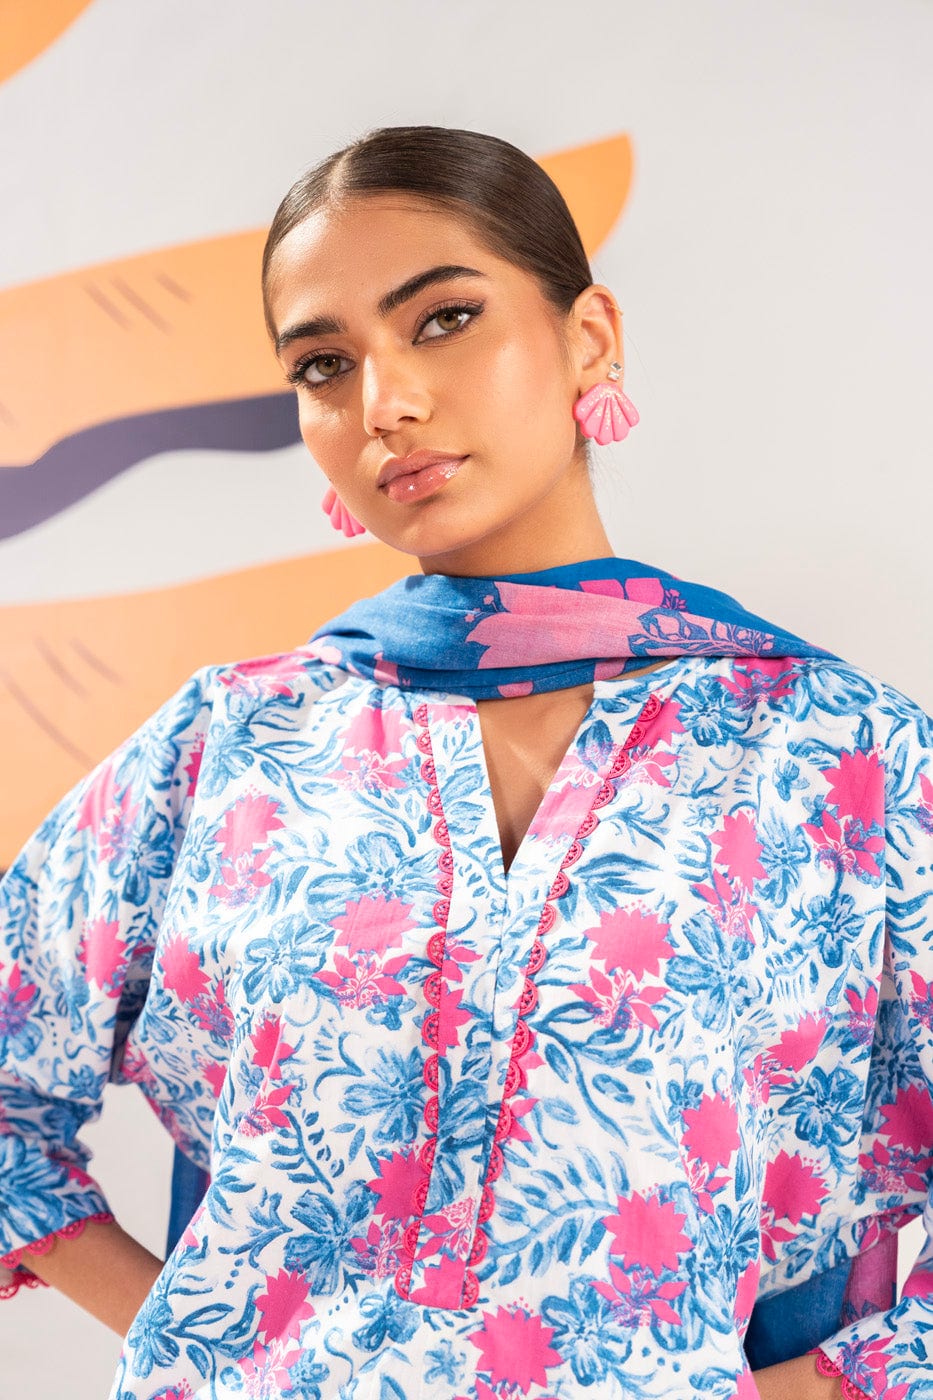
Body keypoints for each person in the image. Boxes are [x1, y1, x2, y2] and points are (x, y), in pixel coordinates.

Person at [0, 124, 931, 1400]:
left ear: (589, 337)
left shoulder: (840, 760)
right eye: (325, 364)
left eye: (442, 319)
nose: (384, 402)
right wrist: (197, 1341)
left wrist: (807, 1389)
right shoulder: (234, 748)